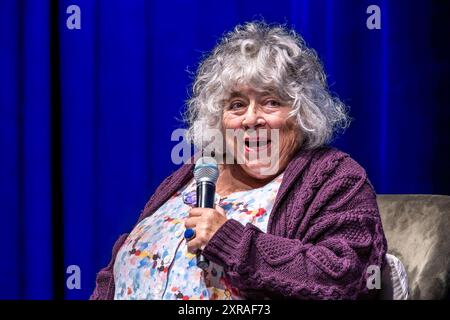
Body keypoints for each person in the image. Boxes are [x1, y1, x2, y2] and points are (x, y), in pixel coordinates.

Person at [90, 21, 387, 300]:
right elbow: (119, 267)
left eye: (271, 101)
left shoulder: (335, 177)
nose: (250, 119)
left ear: (302, 113)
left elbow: (345, 277)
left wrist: (229, 240)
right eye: (236, 105)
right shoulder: (196, 172)